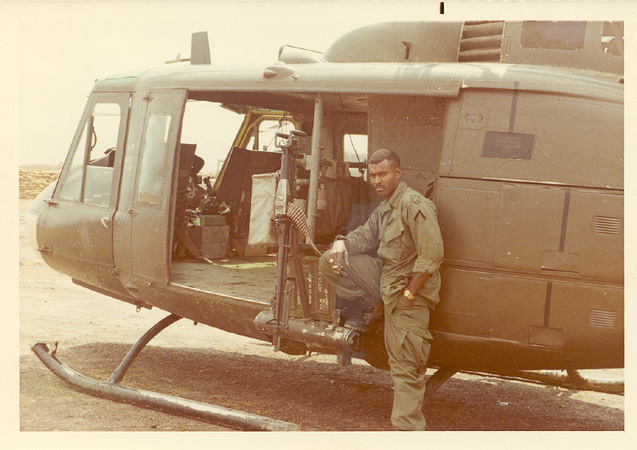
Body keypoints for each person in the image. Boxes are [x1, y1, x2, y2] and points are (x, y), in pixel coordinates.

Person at [318, 148, 444, 431]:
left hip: (408, 297)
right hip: (386, 284)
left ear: (397, 173)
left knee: (405, 367)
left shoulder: (414, 204)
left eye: (382, 174)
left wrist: (410, 293)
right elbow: (365, 236)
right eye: (372, 175)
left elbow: (432, 257)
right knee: (330, 262)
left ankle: (407, 432)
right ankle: (375, 308)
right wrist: (341, 243)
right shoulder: (386, 207)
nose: (376, 180)